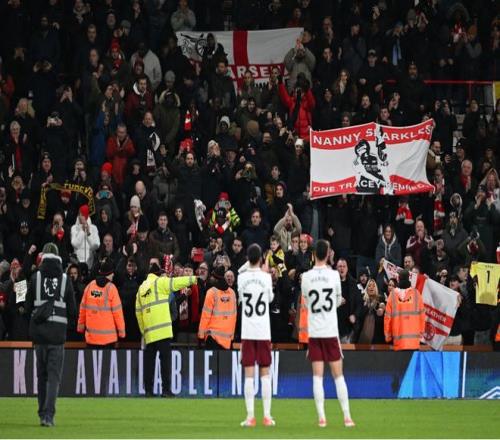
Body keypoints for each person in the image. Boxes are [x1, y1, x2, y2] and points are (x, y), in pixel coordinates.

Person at [301, 239, 355, 428]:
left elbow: (306, 302)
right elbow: (339, 300)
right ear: (328, 254)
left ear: (314, 254)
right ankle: (347, 417)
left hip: (315, 332)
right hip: (331, 331)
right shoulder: (334, 276)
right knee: (338, 376)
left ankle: (322, 418)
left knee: (317, 377)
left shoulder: (306, 277)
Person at [25, 243, 76, 427]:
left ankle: (41, 414)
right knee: (54, 377)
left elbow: (27, 308)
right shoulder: (65, 279)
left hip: (39, 336)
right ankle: (49, 416)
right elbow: (73, 311)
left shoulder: (35, 278)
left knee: (42, 376)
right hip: (57, 335)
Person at [135, 260, 198, 397]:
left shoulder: (141, 289)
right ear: (158, 274)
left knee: (149, 363)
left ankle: (148, 391)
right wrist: (193, 279)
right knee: (165, 363)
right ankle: (166, 390)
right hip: (163, 331)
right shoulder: (160, 282)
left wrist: (143, 331)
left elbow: (138, 312)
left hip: (149, 333)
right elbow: (177, 282)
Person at [237, 244, 275, 427]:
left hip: (248, 331)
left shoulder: (241, 278)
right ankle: (267, 416)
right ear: (261, 259)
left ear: (247, 258)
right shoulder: (266, 278)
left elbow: (240, 273)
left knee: (249, 374)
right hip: (263, 331)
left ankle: (250, 417)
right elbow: (270, 299)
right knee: (265, 373)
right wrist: (264, 271)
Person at [77, 259, 125, 347]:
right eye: (112, 273)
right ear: (109, 274)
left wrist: (80, 326)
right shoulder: (111, 288)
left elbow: (82, 309)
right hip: (108, 339)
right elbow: (117, 313)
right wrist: (121, 332)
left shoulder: (90, 286)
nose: (113, 275)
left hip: (91, 338)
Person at [384, 269, 425, 351]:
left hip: (398, 343)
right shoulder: (417, 294)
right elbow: (422, 317)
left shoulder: (392, 295)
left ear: (398, 278)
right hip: (414, 343)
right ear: (409, 278)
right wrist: (421, 334)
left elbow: (387, 318)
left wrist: (388, 336)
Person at [198, 265, 237, 349]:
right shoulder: (232, 293)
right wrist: (232, 336)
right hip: (227, 339)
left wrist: (201, 336)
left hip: (213, 338)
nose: (210, 278)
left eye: (212, 277)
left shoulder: (211, 292)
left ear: (216, 278)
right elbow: (234, 317)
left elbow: (205, 316)